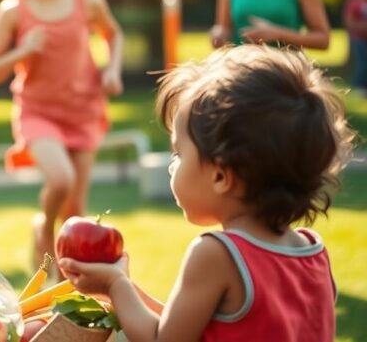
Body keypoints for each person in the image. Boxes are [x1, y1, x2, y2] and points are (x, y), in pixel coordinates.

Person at [59, 45, 352, 342]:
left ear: (220, 176)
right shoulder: (313, 252)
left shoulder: (216, 253)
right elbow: (188, 326)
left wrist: (114, 287)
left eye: (179, 154)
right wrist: (123, 286)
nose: (173, 166)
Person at [0, 0, 122, 273]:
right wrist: (23, 50)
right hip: (38, 112)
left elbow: (113, 34)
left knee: (76, 209)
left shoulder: (87, 1)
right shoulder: (13, 11)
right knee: (61, 179)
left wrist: (113, 70)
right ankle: (44, 227)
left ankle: (69, 282)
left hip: (84, 109)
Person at [344, 0, 367, 97]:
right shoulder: (355, 2)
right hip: (359, 38)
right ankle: (359, 88)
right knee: (363, 62)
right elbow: (349, 22)